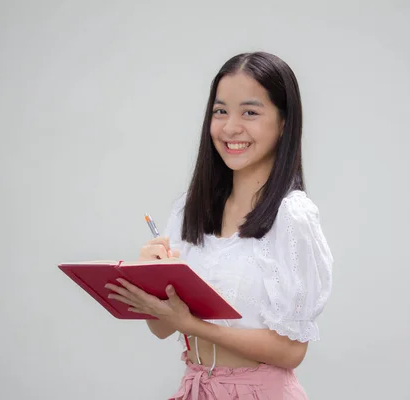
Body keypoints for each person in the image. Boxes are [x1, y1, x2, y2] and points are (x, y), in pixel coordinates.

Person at [105, 51, 334, 399]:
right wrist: (153, 279)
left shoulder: (292, 216)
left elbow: (291, 352)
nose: (230, 127)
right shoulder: (189, 208)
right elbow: (162, 329)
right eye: (220, 111)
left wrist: (193, 326)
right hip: (196, 388)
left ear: (284, 122)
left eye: (250, 112)